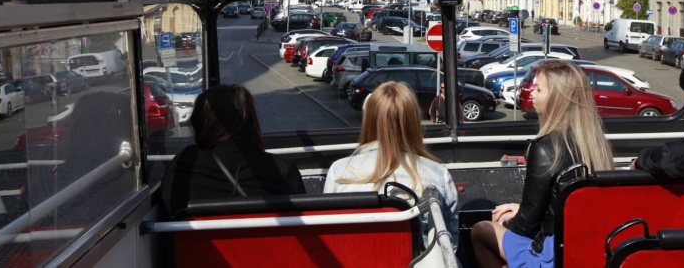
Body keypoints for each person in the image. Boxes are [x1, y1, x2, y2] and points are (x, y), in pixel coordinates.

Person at [471, 61, 614, 268]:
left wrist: (508, 220)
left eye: (539, 89)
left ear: (557, 97)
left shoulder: (545, 149)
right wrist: (520, 208)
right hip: (586, 248)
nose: (532, 94)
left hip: (553, 253)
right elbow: (567, 206)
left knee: (483, 229)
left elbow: (526, 226)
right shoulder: (596, 144)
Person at [324, 81, 459, 249]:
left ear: (369, 119)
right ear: (412, 122)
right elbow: (450, 246)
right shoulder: (438, 174)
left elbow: (331, 236)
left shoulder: (339, 171)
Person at [162, 84, 306, 216]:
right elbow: (302, 223)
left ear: (199, 122)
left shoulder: (184, 164)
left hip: (195, 244)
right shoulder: (282, 171)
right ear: (250, 122)